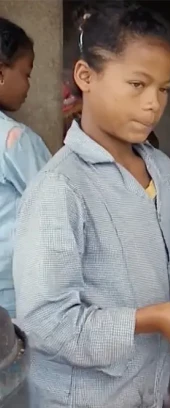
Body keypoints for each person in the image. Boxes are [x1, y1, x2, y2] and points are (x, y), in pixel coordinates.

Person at [12, 4, 170, 408]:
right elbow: (47, 322)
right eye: (138, 84)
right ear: (86, 77)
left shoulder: (159, 168)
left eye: (163, 89)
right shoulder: (60, 189)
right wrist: (152, 318)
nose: (152, 104)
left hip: (144, 394)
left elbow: (169, 245)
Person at [0, 17, 51, 318]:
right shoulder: (13, 140)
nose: (29, 85)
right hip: (13, 295)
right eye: (27, 74)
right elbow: (57, 205)